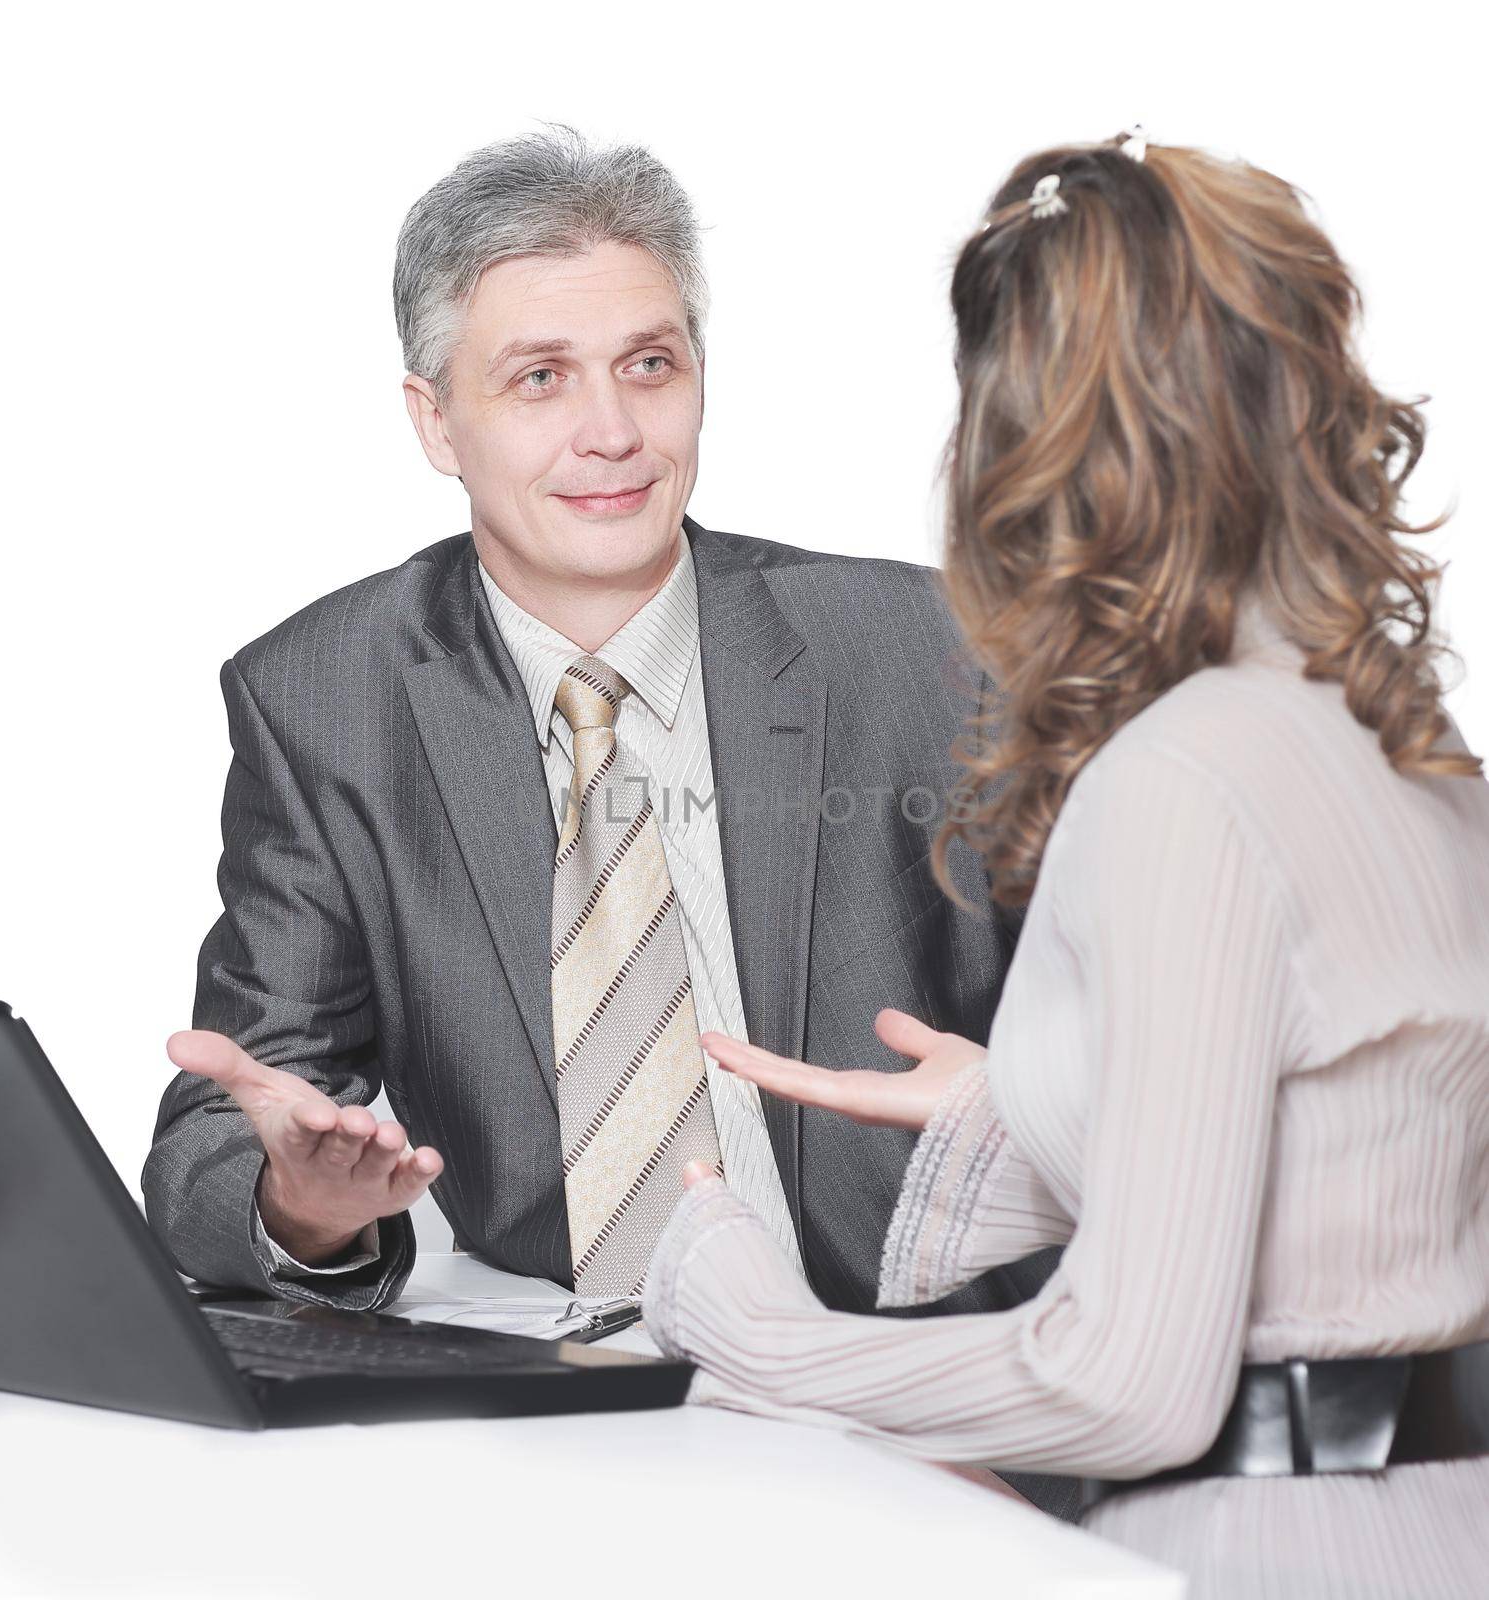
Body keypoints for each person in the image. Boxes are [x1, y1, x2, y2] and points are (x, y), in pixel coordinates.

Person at [138, 125, 1078, 1517]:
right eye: (538, 380)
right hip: (580, 1407)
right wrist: (303, 1209)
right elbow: (227, 1115)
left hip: (929, 1382)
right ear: (433, 421)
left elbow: (1157, 1047)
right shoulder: (325, 699)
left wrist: (1038, 1108)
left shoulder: (927, 648)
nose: (612, 434)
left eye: (651, 364)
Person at [638, 129, 1489, 1596]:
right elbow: (1359, 1169)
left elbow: (1130, 1384)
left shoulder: (1180, 784)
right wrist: (1022, 1106)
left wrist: (755, 1331)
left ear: (1026, 447)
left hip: (1246, 1553)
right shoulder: (1417, 760)